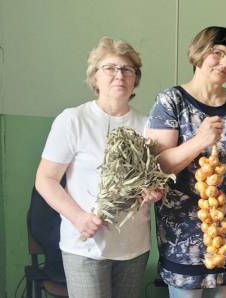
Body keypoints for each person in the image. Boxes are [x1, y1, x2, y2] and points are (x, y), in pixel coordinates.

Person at [35, 37, 162, 298]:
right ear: (95, 77)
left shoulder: (148, 124)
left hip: (133, 248)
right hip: (85, 249)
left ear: (135, 78)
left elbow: (155, 181)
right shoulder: (73, 120)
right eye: (110, 68)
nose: (120, 75)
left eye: (127, 69)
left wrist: (155, 192)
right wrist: (79, 217)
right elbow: (45, 179)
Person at [145, 26, 226, 298]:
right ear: (198, 54)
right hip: (184, 237)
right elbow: (158, 167)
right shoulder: (171, 101)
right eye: (217, 53)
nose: (225, 62)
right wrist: (198, 141)